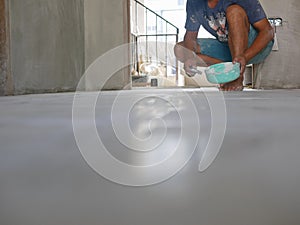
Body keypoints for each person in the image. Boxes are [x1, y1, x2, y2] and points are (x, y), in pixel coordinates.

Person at [174, 0, 274, 91]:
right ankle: (229, 71)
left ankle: (237, 75)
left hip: (255, 47)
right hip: (227, 47)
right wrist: (190, 57)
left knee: (234, 11)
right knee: (180, 49)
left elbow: (268, 31)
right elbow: (191, 36)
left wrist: (244, 57)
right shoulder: (194, 2)